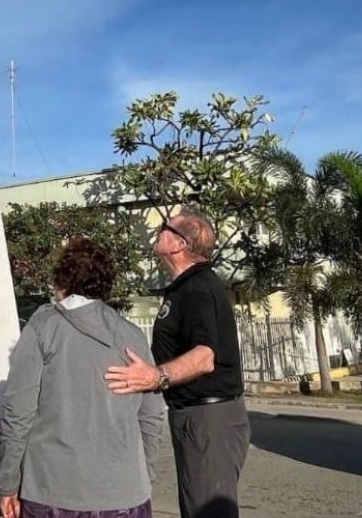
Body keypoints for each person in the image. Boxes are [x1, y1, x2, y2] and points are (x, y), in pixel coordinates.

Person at [0, 236, 164, 518]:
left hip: (54, 493)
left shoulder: (42, 329)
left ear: (61, 278)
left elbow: (18, 415)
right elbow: (151, 417)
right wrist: (143, 475)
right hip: (126, 495)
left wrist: (7, 484)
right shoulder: (132, 335)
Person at [104, 208, 249, 518]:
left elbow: (204, 357)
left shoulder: (197, 288)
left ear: (180, 244)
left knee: (208, 511)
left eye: (165, 228)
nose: (159, 230)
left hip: (209, 418)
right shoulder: (186, 288)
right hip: (198, 417)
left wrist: (156, 377)